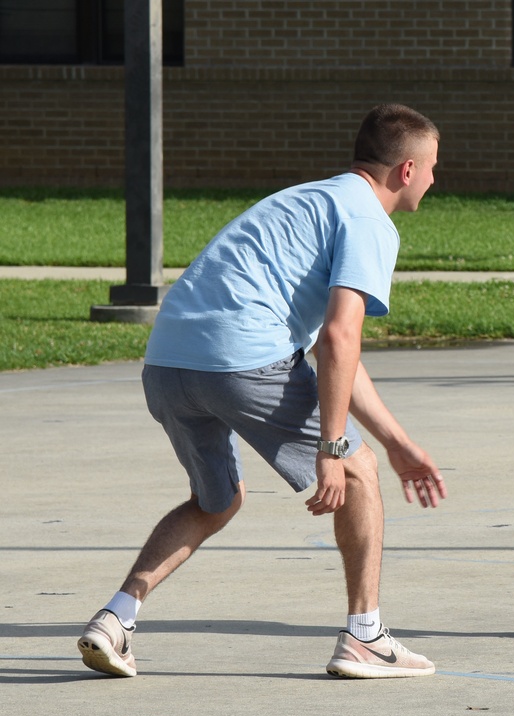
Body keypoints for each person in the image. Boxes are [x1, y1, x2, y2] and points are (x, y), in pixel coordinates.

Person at [77, 104, 448, 678]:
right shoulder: (371, 222)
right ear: (405, 170)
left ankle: (115, 618)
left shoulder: (308, 199)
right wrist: (334, 449)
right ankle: (365, 637)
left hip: (169, 361)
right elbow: (341, 336)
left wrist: (397, 440)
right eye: (431, 167)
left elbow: (332, 348)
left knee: (216, 501)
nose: (432, 179)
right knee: (359, 470)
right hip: (241, 358)